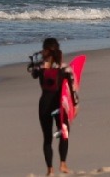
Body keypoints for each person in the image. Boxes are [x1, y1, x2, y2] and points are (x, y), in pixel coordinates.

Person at [28, 37, 77, 175]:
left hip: (44, 104)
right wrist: (75, 105)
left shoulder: (40, 67)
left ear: (46, 50)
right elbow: (73, 88)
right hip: (60, 105)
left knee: (47, 137)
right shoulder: (65, 68)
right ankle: (63, 164)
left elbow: (32, 73)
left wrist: (34, 62)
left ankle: (50, 170)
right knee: (64, 134)